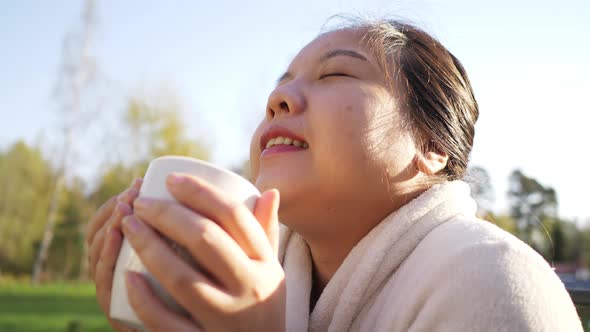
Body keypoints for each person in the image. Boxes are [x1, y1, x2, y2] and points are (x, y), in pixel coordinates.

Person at [86, 18, 582, 331]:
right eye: (281, 86)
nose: (276, 100)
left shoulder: (494, 283)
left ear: (430, 146)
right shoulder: (258, 280)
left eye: (336, 75)